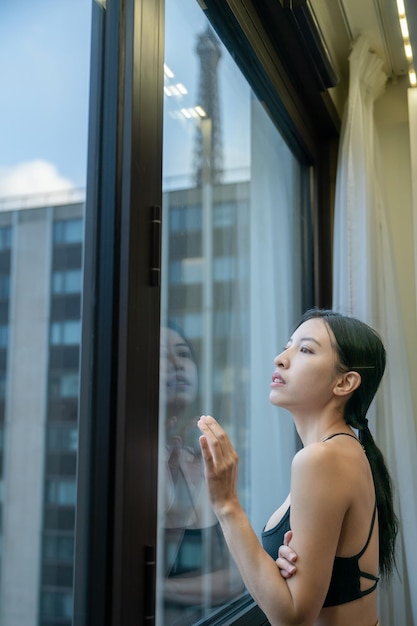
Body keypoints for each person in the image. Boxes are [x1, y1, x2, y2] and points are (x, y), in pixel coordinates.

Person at [198, 309, 398, 626]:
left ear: (345, 382)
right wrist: (278, 570)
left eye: (304, 349)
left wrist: (226, 504)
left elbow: (292, 618)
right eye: (287, 345)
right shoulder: (345, 449)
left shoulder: (321, 459)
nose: (280, 358)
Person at [160, 324, 244, 625]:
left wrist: (159, 589)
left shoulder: (203, 453)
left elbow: (237, 578)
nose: (176, 363)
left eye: (183, 354)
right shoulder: (138, 456)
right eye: (162, 355)